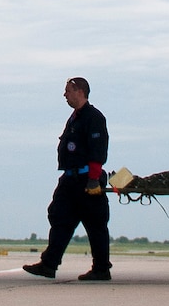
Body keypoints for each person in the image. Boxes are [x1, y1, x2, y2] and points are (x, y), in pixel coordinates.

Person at [22, 76, 111, 281]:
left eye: (68, 91)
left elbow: (98, 150)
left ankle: (101, 268)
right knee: (59, 218)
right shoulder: (75, 118)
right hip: (70, 180)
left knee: (95, 225)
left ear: (79, 91)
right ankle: (49, 264)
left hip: (87, 180)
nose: (65, 95)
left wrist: (93, 179)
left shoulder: (93, 117)